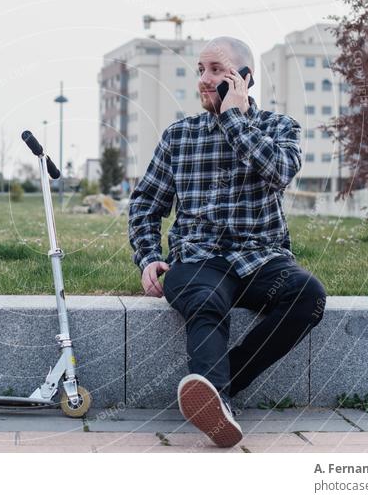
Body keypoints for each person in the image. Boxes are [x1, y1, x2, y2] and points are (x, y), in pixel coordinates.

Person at [128, 37, 327, 448]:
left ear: (244, 79)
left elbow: (278, 171)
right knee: (205, 300)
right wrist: (148, 256)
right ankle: (217, 403)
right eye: (200, 70)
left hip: (262, 257)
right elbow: (147, 203)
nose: (204, 79)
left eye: (216, 70)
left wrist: (234, 120)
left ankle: (219, 390)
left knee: (308, 296)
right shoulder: (179, 136)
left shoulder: (278, 128)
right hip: (199, 257)